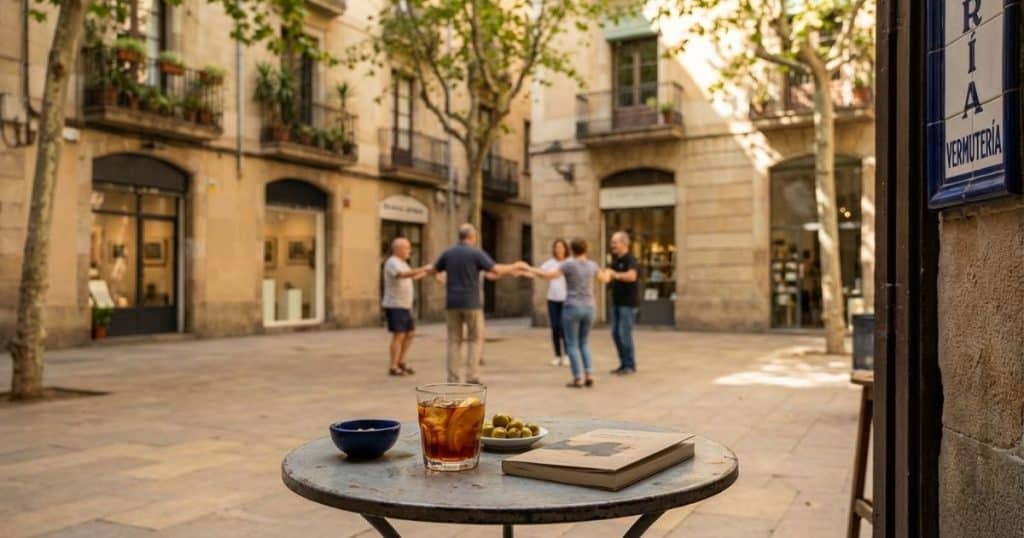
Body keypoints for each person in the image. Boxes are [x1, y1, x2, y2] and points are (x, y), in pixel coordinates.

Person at [428, 223, 524, 384]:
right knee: (475, 338)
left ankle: (453, 377)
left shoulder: (448, 253)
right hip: (471, 302)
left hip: (452, 302)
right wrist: (515, 266)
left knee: (453, 340)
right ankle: (472, 375)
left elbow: (434, 270)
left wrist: (440, 278)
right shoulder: (475, 253)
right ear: (472, 237)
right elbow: (495, 269)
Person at [529, 238, 612, 388]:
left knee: (572, 344)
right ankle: (589, 374)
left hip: (572, 307)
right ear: (586, 249)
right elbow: (605, 279)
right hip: (589, 307)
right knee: (584, 342)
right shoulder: (592, 265)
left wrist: (529, 269)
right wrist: (609, 272)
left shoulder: (568, 265)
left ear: (572, 250)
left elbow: (549, 276)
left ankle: (578, 378)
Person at [381, 237, 431, 376]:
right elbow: (402, 275)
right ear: (398, 249)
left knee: (410, 333)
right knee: (399, 335)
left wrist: (428, 272)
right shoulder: (392, 262)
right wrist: (423, 268)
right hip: (395, 305)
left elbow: (412, 276)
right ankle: (393, 366)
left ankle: (401, 361)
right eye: (407, 248)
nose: (410, 250)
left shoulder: (403, 263)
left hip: (405, 305)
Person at [607, 231, 640, 375]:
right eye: (612, 242)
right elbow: (609, 276)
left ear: (624, 243)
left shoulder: (631, 259)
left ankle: (630, 365)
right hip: (616, 302)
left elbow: (632, 276)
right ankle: (623, 363)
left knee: (624, 333)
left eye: (615, 242)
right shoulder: (615, 260)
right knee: (615, 333)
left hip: (628, 304)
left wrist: (615, 274)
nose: (612, 245)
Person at [540, 239, 570, 366]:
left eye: (561, 247)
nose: (559, 250)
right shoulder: (550, 263)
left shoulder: (569, 263)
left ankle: (567, 355)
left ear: (565, 249)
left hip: (566, 299)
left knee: (564, 327)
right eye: (556, 247)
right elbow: (540, 273)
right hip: (552, 299)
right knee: (555, 327)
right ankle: (557, 355)